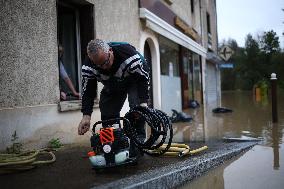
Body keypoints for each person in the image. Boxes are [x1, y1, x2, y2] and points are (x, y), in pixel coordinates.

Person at [78, 39, 149, 157]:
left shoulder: (130, 57)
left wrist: (143, 104)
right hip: (112, 82)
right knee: (107, 109)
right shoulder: (88, 66)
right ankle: (114, 144)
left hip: (134, 79)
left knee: (137, 109)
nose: (104, 67)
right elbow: (88, 92)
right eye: (99, 65)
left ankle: (138, 142)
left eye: (106, 62)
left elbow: (142, 79)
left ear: (110, 51)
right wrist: (86, 116)